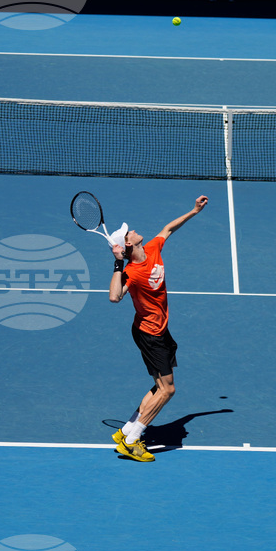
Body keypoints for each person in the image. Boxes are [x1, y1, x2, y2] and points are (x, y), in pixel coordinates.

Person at [108, 195, 209, 462]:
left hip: (160, 330)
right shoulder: (131, 272)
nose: (133, 230)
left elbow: (168, 229)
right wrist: (118, 264)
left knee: (159, 385)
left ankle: (127, 430)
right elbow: (115, 297)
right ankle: (132, 442)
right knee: (168, 390)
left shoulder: (152, 248)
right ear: (128, 244)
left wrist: (194, 211)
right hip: (149, 334)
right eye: (128, 232)